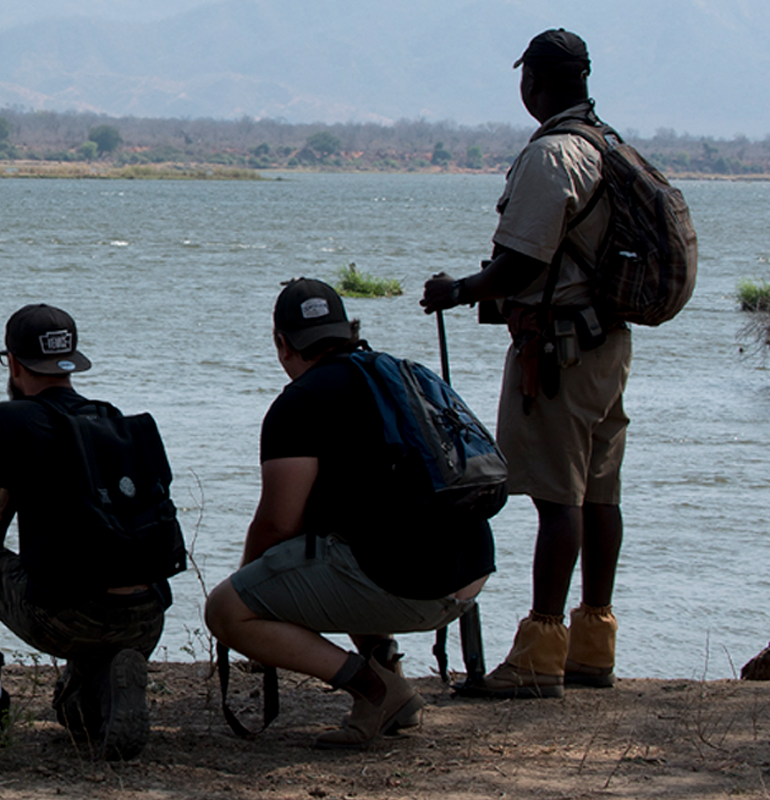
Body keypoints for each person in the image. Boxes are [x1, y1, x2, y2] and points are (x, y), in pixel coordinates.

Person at [422, 28, 628, 699]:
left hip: (560, 350)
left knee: (556, 496)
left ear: (534, 82)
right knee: (599, 494)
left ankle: (541, 652)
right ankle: (592, 644)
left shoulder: (553, 156)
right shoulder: (608, 145)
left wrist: (459, 291)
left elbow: (524, 261)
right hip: (606, 343)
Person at [204, 279, 495, 749]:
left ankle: (371, 689)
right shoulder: (402, 374)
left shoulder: (299, 403)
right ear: (349, 330)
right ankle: (393, 684)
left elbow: (278, 524)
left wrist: (248, 584)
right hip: (472, 572)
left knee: (226, 610)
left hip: (411, 586)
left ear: (281, 343)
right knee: (341, 545)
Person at [0, 303, 171, 760]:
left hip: (67, 619)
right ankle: (108, 683)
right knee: (76, 715)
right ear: (71, 361)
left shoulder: (9, 419)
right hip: (145, 617)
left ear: (14, 362)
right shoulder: (112, 419)